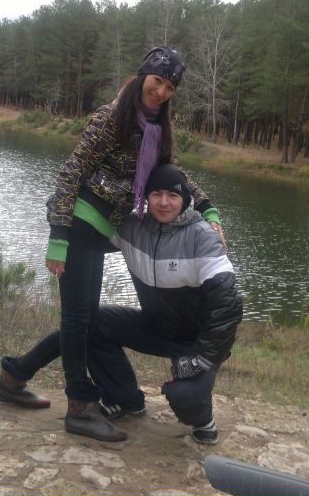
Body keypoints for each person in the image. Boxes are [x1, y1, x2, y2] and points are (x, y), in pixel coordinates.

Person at [0, 47, 225, 442]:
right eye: (157, 81)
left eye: (170, 87)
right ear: (143, 76)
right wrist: (58, 236)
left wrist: (207, 208)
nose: (161, 91)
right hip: (80, 222)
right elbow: (71, 173)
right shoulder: (111, 117)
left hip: (105, 229)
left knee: (82, 320)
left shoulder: (157, 128)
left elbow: (173, 174)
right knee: (78, 320)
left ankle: (14, 378)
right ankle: (80, 408)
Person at [87, 164, 243, 444]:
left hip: (194, 342)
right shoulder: (133, 228)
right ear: (146, 197)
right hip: (154, 328)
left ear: (185, 200)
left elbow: (228, 306)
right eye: (156, 194)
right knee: (92, 323)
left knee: (184, 396)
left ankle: (203, 419)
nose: (163, 202)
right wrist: (62, 223)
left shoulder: (203, 236)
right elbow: (90, 230)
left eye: (172, 195)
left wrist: (203, 358)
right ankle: (125, 399)